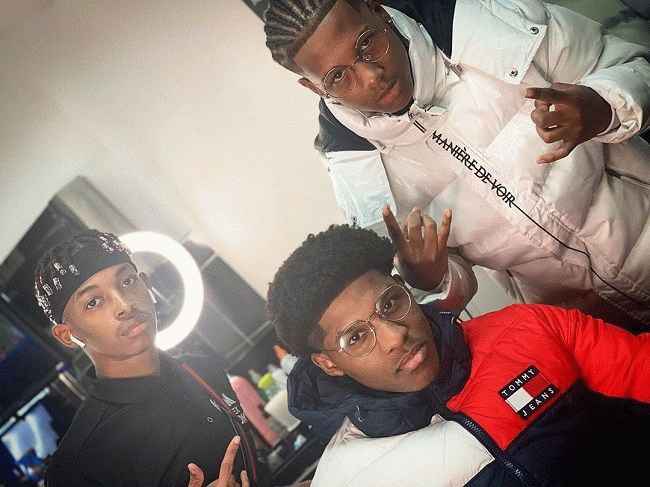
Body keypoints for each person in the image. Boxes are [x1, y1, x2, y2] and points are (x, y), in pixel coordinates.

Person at [263, 0, 650, 331]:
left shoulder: (489, 24)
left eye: (367, 44)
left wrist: (605, 106)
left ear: (376, 9)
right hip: (588, 324)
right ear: (314, 87)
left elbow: (635, 65)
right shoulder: (359, 173)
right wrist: (430, 279)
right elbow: (429, 286)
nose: (371, 76)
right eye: (338, 77)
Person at [267, 224, 650, 486]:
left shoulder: (527, 329)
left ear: (404, 288)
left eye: (390, 303)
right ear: (328, 363)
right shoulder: (348, 478)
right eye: (355, 338)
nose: (395, 336)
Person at [34, 230, 261, 487]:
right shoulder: (77, 465)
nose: (124, 305)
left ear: (146, 284)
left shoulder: (201, 368)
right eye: (94, 302)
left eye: (127, 281)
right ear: (67, 335)